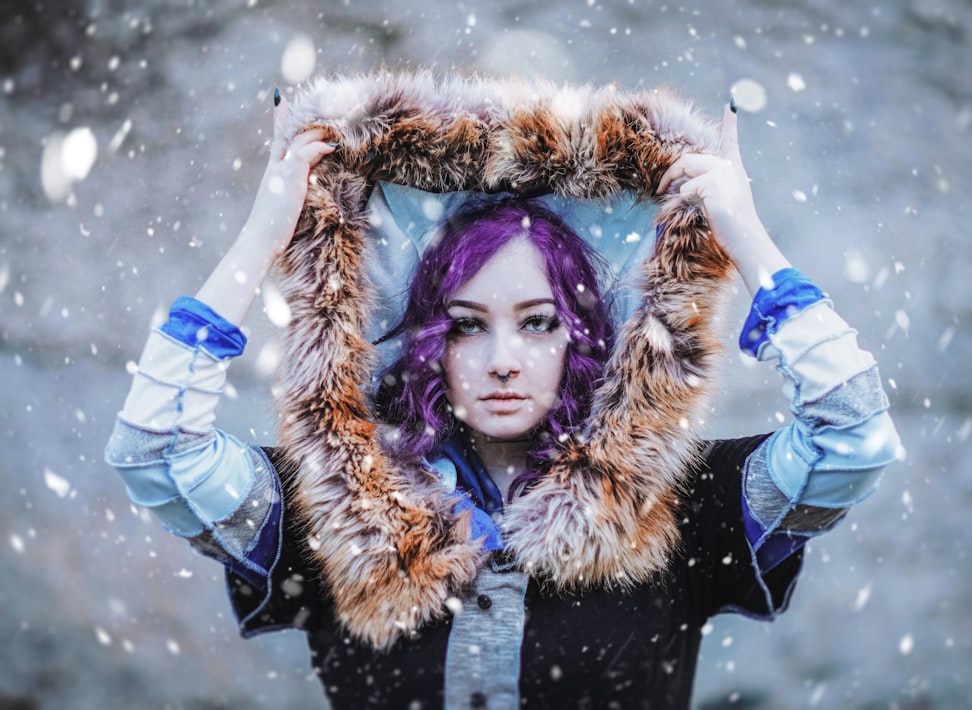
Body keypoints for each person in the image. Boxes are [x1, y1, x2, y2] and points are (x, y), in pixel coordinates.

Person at [106, 83, 899, 708]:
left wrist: (743, 235)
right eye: (465, 326)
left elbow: (852, 435)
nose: (502, 361)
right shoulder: (331, 508)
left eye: (537, 322)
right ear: (426, 343)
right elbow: (155, 452)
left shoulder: (683, 502)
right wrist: (264, 238)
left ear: (583, 336)